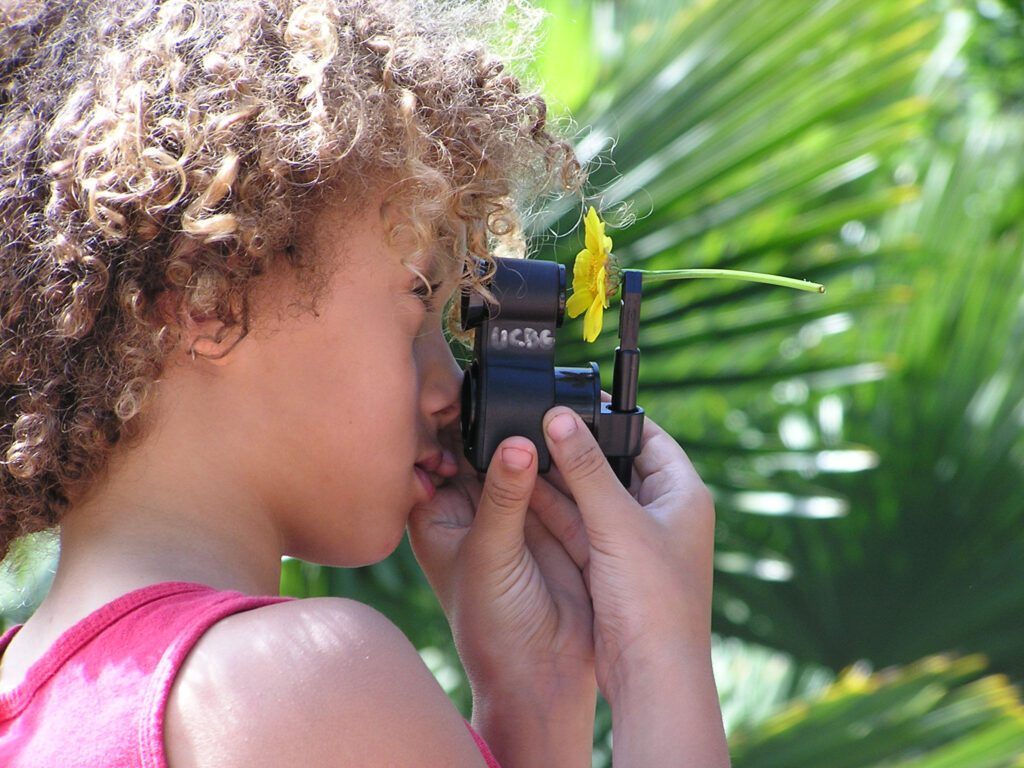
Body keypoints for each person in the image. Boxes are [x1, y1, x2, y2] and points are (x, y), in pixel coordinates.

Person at [0, 1, 730, 765]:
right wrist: (657, 654)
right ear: (208, 301)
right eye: (418, 297)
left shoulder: (34, 699)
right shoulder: (299, 682)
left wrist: (533, 694)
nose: (449, 391)